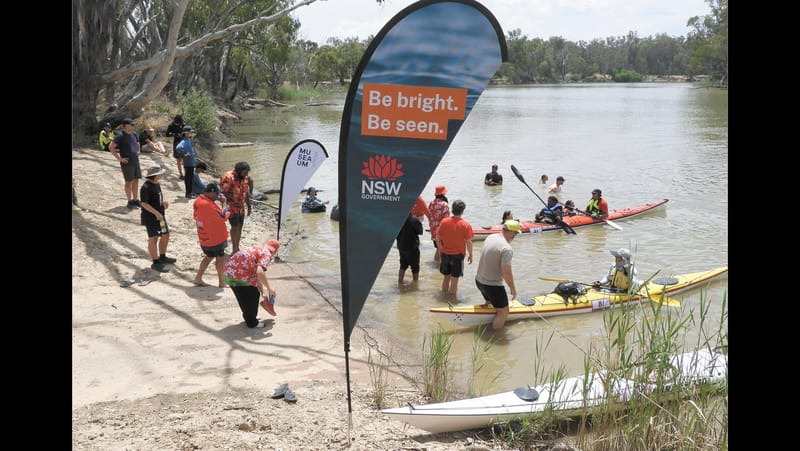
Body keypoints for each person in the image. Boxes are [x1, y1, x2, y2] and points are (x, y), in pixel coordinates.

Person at [223, 238, 281, 328]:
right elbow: (260, 272)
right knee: (253, 295)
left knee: (243, 298)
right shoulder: (267, 254)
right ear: (275, 251)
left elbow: (256, 277)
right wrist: (269, 288)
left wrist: (263, 292)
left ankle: (249, 317)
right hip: (239, 275)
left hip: (228, 272)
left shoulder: (257, 249)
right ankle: (252, 322)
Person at [475, 219, 520, 330]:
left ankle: (486, 325)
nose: (515, 236)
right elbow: (506, 272)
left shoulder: (491, 237)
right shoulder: (507, 249)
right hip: (492, 286)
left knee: (490, 304)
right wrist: (513, 289)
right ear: (511, 232)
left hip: (478, 281)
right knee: (504, 312)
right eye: (515, 233)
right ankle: (495, 336)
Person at [139, 165, 177, 273]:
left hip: (160, 216)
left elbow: (157, 199)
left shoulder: (157, 184)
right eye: (160, 173)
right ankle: (155, 262)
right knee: (153, 238)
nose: (162, 174)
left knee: (165, 234)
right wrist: (155, 213)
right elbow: (144, 203)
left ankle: (162, 256)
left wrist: (163, 203)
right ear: (154, 175)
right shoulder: (146, 187)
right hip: (151, 217)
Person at [192, 182, 230, 287]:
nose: (217, 197)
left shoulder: (198, 201)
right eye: (216, 194)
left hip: (204, 236)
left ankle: (198, 278)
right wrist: (224, 203)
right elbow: (223, 216)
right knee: (220, 257)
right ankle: (221, 282)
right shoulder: (207, 205)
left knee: (209, 257)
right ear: (211, 193)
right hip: (214, 237)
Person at [435, 199, 474, 295]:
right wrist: (470, 255)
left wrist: (440, 251)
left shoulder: (444, 222)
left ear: (452, 209)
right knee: (454, 281)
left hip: (445, 254)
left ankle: (444, 296)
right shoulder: (465, 225)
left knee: (446, 278)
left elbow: (437, 238)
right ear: (462, 211)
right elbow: (469, 242)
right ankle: (452, 300)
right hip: (457, 256)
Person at [108, 118, 142, 209]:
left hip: (135, 161)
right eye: (131, 124)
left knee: (136, 180)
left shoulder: (134, 134)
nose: (133, 126)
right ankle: (129, 201)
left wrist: (138, 151)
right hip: (127, 162)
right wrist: (119, 158)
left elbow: (137, 143)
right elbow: (111, 147)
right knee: (128, 182)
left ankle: (135, 200)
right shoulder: (120, 136)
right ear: (126, 125)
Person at [220, 161, 253, 254]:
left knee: (240, 227)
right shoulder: (228, 177)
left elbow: (246, 192)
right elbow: (222, 193)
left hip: (241, 207)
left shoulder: (245, 178)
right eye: (245, 172)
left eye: (247, 173)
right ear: (239, 171)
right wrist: (225, 207)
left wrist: (249, 206)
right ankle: (234, 249)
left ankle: (237, 247)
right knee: (234, 227)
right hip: (231, 206)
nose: (246, 174)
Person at [396, 211, 423, 285]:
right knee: (415, 268)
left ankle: (400, 283)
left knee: (402, 266)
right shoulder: (414, 219)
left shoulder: (398, 218)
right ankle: (415, 286)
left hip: (401, 246)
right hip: (412, 247)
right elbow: (420, 232)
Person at [427, 185, 450, 262]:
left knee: (438, 248)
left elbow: (429, 215)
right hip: (441, 231)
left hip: (433, 230)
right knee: (442, 250)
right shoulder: (444, 204)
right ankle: (440, 266)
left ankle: (436, 264)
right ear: (443, 194)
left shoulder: (431, 203)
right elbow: (447, 220)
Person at [175, 125, 198, 198]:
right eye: (190, 132)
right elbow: (178, 148)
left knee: (190, 178)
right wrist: (184, 154)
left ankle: (190, 192)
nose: (191, 133)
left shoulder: (188, 140)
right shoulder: (184, 141)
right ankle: (188, 193)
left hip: (190, 162)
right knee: (188, 178)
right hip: (188, 163)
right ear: (186, 133)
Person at [165, 115, 186, 180]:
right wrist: (174, 134)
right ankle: (181, 174)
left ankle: (187, 174)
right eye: (176, 123)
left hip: (184, 142)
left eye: (178, 123)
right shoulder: (171, 125)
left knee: (185, 159)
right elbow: (167, 134)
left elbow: (188, 134)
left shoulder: (183, 125)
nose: (177, 124)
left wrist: (182, 135)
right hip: (176, 143)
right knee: (178, 159)